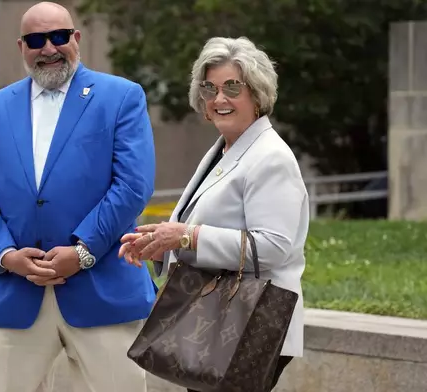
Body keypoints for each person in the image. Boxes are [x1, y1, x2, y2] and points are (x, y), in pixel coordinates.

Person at [0, 2, 156, 392]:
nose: (48, 48)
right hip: (17, 292)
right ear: (21, 46)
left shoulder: (121, 97)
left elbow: (133, 185)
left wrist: (82, 252)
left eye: (59, 36)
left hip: (102, 289)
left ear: (76, 39)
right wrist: (5, 256)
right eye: (36, 39)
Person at [119, 36, 309, 391]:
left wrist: (187, 236)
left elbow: (272, 246)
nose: (220, 99)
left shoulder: (271, 157)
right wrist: (163, 246)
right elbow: (215, 226)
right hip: (219, 319)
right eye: (210, 88)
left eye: (232, 87)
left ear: (257, 93)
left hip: (250, 320)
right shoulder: (225, 148)